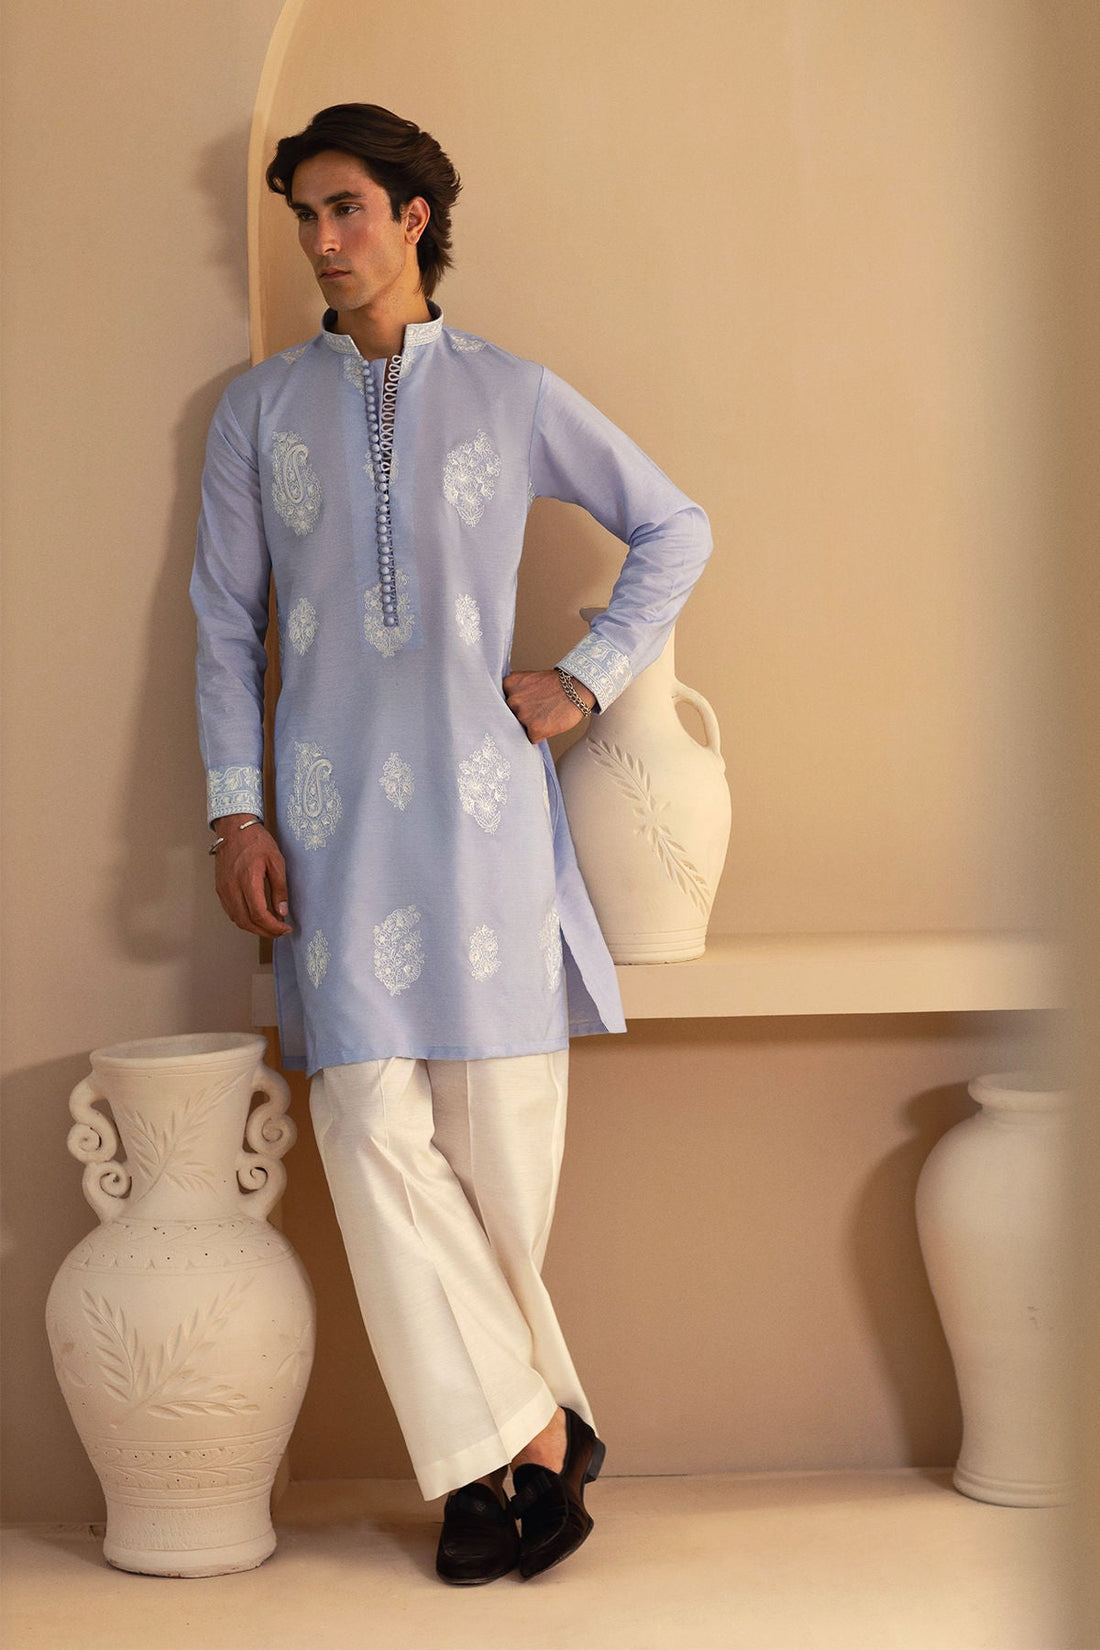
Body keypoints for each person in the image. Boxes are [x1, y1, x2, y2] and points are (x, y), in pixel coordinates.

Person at [190, 102, 712, 1584]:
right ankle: (543, 1431)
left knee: (495, 1176)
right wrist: (236, 808)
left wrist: (585, 678)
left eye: (345, 209)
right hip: (331, 827)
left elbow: (676, 527)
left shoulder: (510, 392)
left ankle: (489, 1478)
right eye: (304, 215)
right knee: (367, 1131)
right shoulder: (257, 413)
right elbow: (224, 624)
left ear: (414, 216)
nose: (320, 241)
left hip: (487, 827)